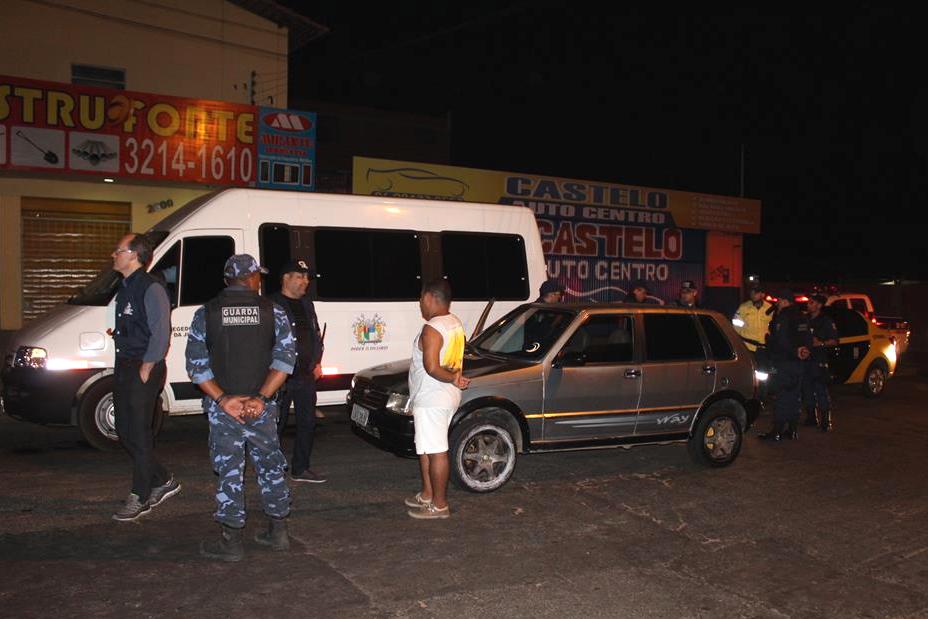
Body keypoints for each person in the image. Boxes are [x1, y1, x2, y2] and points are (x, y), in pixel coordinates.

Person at [185, 254, 296, 561]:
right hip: (263, 408)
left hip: (225, 410)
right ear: (252, 279)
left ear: (227, 281)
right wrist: (260, 399)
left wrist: (224, 400)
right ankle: (279, 533)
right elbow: (285, 362)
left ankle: (231, 541)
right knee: (271, 467)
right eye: (259, 276)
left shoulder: (206, 313)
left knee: (229, 471)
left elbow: (196, 367)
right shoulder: (274, 312)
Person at [110, 232, 180, 522]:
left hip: (143, 367)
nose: (113, 255)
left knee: (139, 431)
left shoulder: (151, 288)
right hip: (125, 364)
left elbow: (161, 331)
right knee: (124, 430)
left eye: (118, 250)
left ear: (134, 256)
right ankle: (164, 479)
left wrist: (147, 367)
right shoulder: (124, 287)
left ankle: (140, 495)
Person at [404, 280, 471, 519]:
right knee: (426, 449)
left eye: (421, 298)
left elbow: (432, 367)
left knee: (437, 451)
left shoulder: (432, 328)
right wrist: (454, 379)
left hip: (434, 397)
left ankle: (440, 505)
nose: (420, 304)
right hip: (441, 396)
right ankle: (427, 494)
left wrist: (452, 378)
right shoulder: (454, 322)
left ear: (431, 297)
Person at [269, 259, 326, 483]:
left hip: (305, 375)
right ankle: (272, 470)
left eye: (307, 277)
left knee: (307, 423)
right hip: (279, 377)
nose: (306, 281)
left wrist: (317, 361)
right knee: (276, 425)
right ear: (286, 278)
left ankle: (300, 468)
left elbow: (315, 334)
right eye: (300, 276)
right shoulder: (271, 304)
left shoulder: (307, 304)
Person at [758, 289, 813, 442]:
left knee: (781, 396)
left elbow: (782, 341)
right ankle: (793, 429)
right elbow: (808, 338)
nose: (777, 303)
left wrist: (770, 341)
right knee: (794, 396)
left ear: (784, 301)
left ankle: (777, 431)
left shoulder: (784, 317)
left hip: (784, 362)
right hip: (799, 363)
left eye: (779, 300)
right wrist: (804, 351)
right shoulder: (802, 316)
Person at [802, 294, 839, 431]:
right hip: (805, 360)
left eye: (811, 303)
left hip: (819, 360)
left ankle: (826, 420)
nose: (808, 305)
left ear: (819, 305)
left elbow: (835, 341)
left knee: (820, 390)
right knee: (807, 390)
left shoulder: (825, 321)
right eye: (808, 302)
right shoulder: (804, 319)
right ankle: (811, 417)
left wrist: (821, 343)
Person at [732, 283, 774, 399]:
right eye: (752, 292)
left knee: (763, 374)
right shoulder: (744, 307)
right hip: (747, 347)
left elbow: (774, 327)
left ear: (762, 294)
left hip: (763, 348)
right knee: (747, 373)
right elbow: (735, 325)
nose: (753, 294)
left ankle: (762, 396)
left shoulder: (770, 308)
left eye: (756, 292)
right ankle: (748, 396)